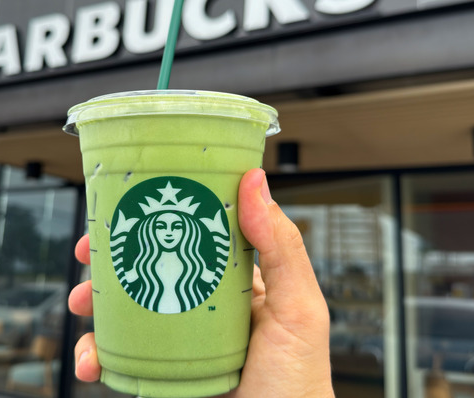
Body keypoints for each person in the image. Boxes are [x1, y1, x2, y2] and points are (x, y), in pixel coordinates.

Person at [69, 168, 335, 397]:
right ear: (149, 229)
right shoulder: (140, 272)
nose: (170, 233)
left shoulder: (200, 273)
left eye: (178, 226)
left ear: (189, 229)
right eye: (161, 226)